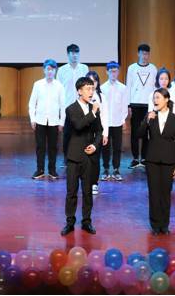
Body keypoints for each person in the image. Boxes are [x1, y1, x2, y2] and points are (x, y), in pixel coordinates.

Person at [135, 88, 175, 235]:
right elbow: (139, 134)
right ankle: (155, 225)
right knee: (154, 193)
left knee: (166, 193)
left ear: (166, 99)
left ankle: (164, 224)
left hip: (169, 160)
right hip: (153, 160)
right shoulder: (150, 116)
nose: (155, 100)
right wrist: (146, 121)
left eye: (158, 98)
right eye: (154, 98)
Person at [61, 77, 103, 236]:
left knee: (87, 192)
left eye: (92, 89)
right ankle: (70, 222)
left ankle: (86, 221)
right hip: (74, 156)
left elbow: (99, 131)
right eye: (87, 89)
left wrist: (95, 145)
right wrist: (93, 113)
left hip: (89, 156)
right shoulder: (71, 109)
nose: (91, 92)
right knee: (71, 192)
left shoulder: (94, 108)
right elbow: (78, 126)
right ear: (79, 91)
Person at [28, 59, 65, 180]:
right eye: (48, 69)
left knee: (53, 147)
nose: (50, 72)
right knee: (40, 146)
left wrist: (61, 121)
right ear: (44, 70)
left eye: (52, 69)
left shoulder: (59, 86)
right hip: (40, 120)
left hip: (54, 121)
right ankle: (40, 169)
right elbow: (32, 103)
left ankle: (52, 170)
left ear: (55, 71)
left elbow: (63, 106)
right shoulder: (37, 84)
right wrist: (33, 119)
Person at [126, 43, 157, 170]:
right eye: (142, 53)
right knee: (134, 132)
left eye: (147, 54)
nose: (144, 56)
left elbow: (155, 88)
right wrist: (128, 105)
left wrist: (155, 105)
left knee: (146, 132)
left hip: (148, 105)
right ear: (138, 54)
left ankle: (144, 158)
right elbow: (128, 87)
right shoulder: (132, 68)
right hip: (135, 104)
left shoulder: (153, 68)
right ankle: (135, 158)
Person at [57, 44, 89, 166]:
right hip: (67, 107)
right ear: (68, 54)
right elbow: (59, 89)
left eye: (77, 53)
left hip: (82, 106)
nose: (75, 55)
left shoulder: (84, 68)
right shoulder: (62, 70)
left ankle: (82, 156)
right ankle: (67, 158)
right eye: (72, 53)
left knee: (83, 133)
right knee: (67, 134)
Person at [100, 61, 128, 182]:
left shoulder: (123, 88)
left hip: (117, 122)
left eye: (115, 71)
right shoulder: (102, 88)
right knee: (105, 147)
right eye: (111, 71)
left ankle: (116, 169)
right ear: (107, 72)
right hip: (105, 123)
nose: (113, 74)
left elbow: (124, 106)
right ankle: (106, 169)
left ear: (118, 72)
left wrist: (123, 120)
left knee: (117, 147)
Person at [85, 71, 109, 196]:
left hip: (97, 134)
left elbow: (105, 116)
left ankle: (94, 183)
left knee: (95, 160)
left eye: (94, 81)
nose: (92, 84)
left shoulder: (102, 97)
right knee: (85, 160)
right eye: (90, 81)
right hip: (84, 133)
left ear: (98, 83)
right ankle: (86, 183)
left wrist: (105, 133)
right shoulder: (82, 96)